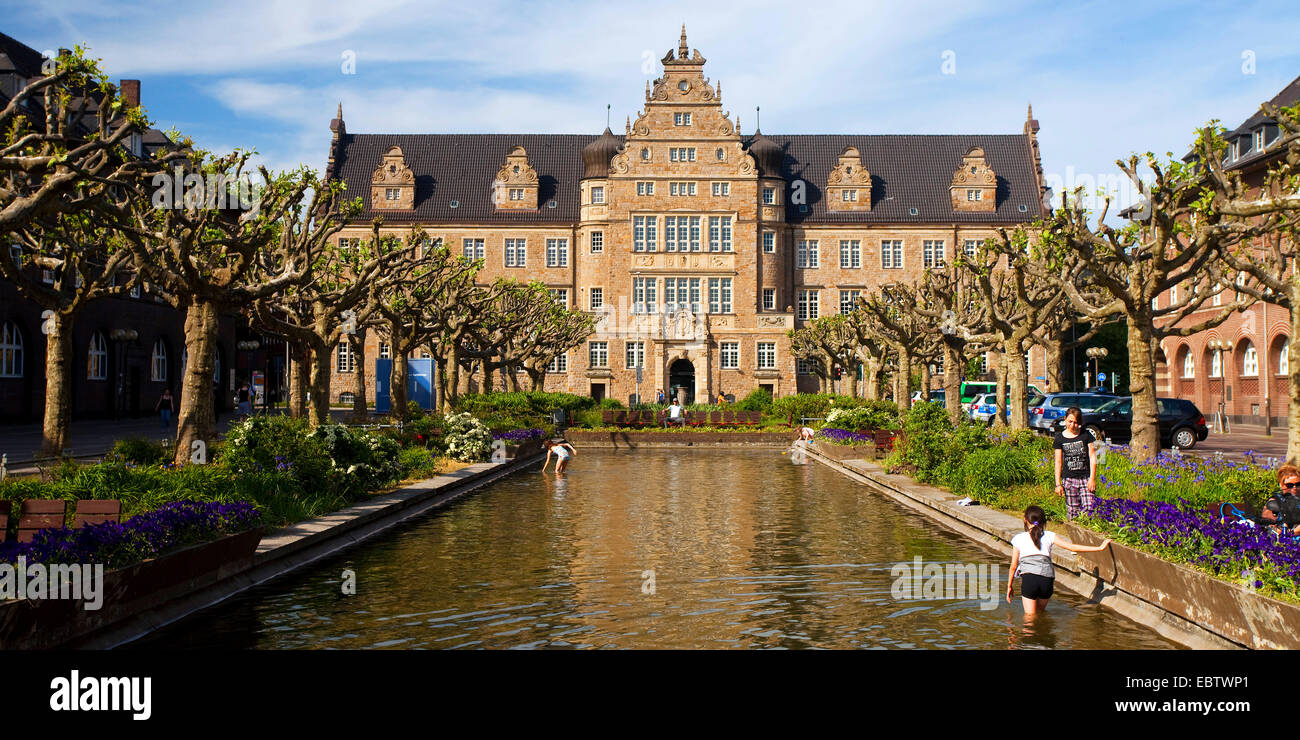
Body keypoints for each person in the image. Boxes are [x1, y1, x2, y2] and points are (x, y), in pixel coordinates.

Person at [1007, 505, 1111, 615]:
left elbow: (1013, 566)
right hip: (1047, 580)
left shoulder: (1018, 538)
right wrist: (1099, 548)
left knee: (1030, 619)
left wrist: (1009, 586)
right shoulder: (1050, 535)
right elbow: (1072, 547)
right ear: (1043, 521)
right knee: (1040, 614)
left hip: (1030, 579)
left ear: (1025, 520)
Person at [1053, 407, 1097, 518]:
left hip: (1085, 479)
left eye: (1076, 422)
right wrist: (1058, 484)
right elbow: (1058, 462)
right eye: (1070, 422)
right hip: (1069, 480)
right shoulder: (1059, 438)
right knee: (1073, 512)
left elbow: (1093, 457)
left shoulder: (1086, 435)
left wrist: (1092, 479)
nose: (1073, 425)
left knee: (1089, 508)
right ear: (1065, 419)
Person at [1260, 464, 1300, 536]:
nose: (1295, 488)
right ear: (1281, 485)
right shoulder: (1274, 502)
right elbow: (1269, 526)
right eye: (1289, 485)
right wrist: (1290, 532)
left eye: (1298, 484)